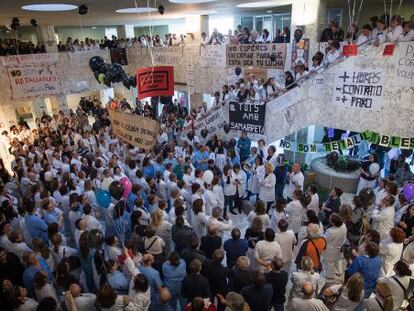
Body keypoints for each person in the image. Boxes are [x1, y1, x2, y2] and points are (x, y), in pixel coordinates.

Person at [324, 214, 347, 282]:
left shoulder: (331, 231)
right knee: (338, 260)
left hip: (331, 249)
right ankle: (339, 272)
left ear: (333, 222)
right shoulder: (344, 226)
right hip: (340, 246)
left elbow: (325, 239)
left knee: (329, 263)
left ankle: (330, 276)